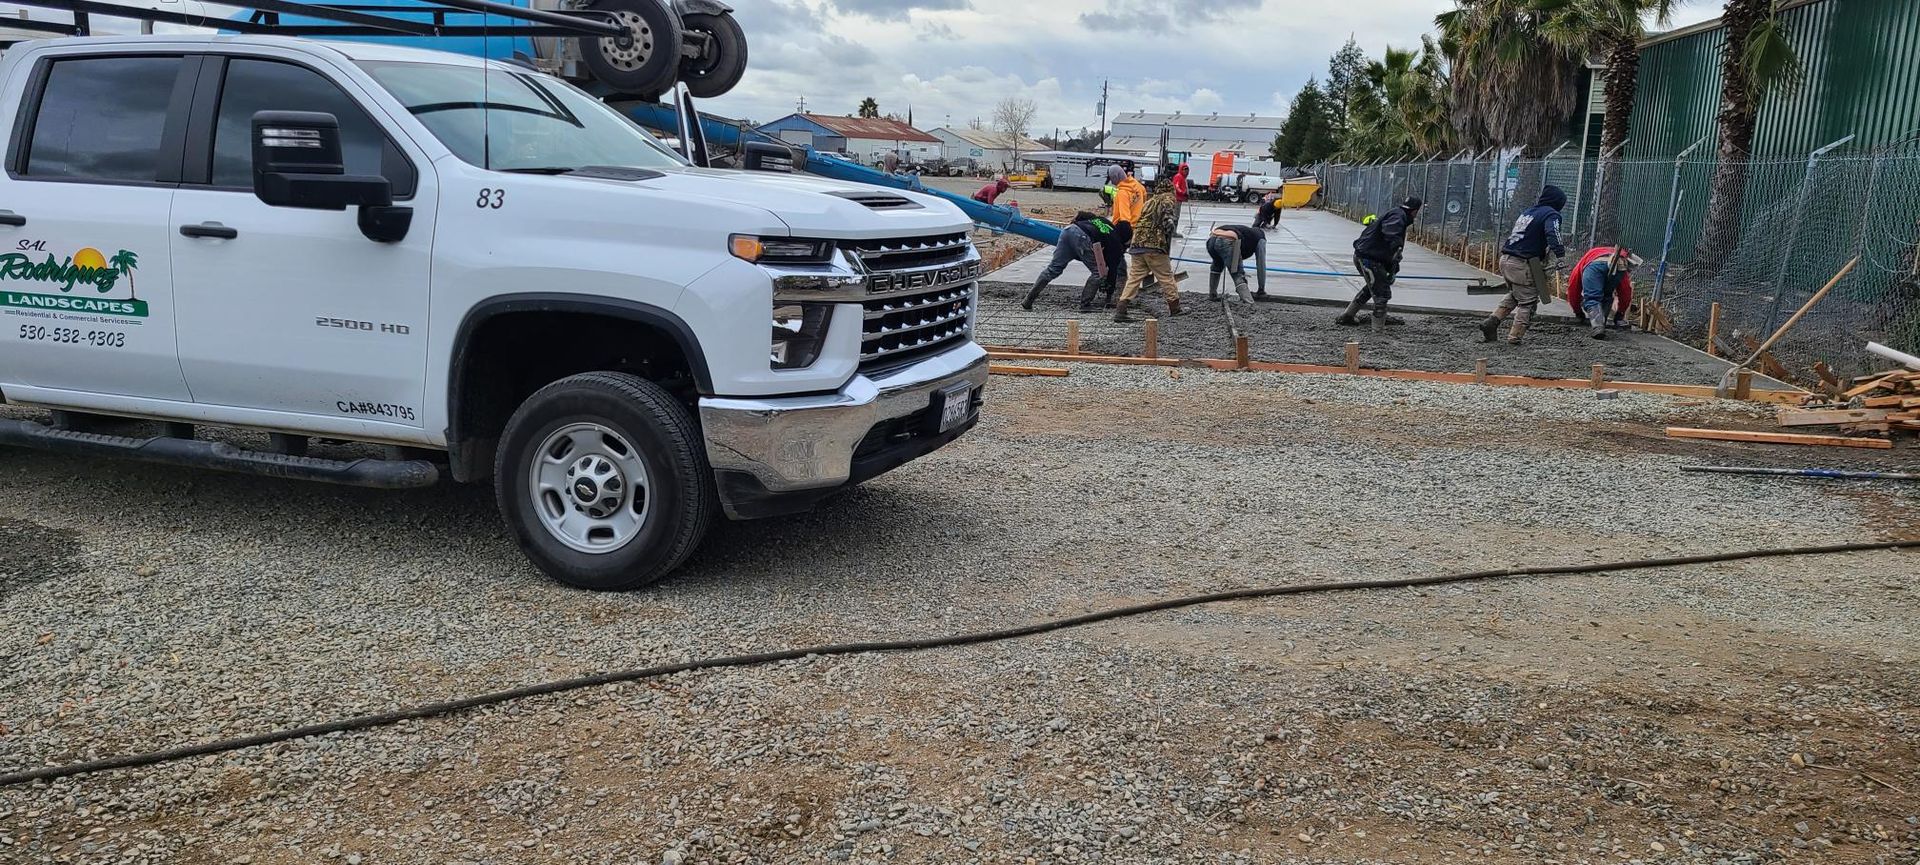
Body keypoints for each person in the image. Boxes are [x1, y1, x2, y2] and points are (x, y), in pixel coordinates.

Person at [1478, 184, 1568, 345]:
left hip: (1506, 259)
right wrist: (1560, 254)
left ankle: (1491, 322)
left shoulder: (1529, 212)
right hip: (1523, 263)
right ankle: (1515, 337)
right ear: (1558, 202)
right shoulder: (1551, 214)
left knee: (1516, 294)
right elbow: (1552, 232)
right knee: (1528, 302)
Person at [1339, 195, 1422, 332]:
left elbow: (1386, 244)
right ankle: (1377, 330)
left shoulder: (1397, 214)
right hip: (1368, 259)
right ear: (1415, 211)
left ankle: (1348, 316)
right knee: (1382, 293)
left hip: (1366, 256)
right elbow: (1391, 232)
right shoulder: (1398, 217)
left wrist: (1392, 267)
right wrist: (1397, 247)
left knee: (1373, 288)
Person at [1114, 179, 1187, 322]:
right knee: (1166, 277)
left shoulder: (1148, 202)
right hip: (1154, 246)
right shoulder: (1167, 199)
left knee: (1134, 278)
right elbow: (1168, 221)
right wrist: (1169, 233)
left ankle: (1121, 310)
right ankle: (1175, 308)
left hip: (1137, 245)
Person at [1023, 211, 1108, 311]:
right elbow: (1105, 255)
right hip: (1080, 235)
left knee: (1053, 269)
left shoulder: (1097, 222)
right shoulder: (1106, 229)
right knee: (1099, 271)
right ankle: (1085, 304)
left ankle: (1028, 300)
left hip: (1067, 231)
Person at [1568, 245, 1640, 340]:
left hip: (1594, 265)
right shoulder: (1620, 258)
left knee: (1592, 298)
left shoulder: (1590, 254)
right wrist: (1620, 314)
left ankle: (1598, 326)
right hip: (1619, 265)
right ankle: (1602, 323)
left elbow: (1573, 287)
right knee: (1606, 295)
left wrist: (1577, 311)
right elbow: (1625, 291)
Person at [1206, 224, 1268, 303]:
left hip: (1212, 240)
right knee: (1237, 273)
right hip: (1230, 240)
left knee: (1217, 265)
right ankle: (1249, 302)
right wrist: (1261, 289)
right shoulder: (1260, 238)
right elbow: (1261, 264)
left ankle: (1212, 295)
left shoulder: (1248, 234)